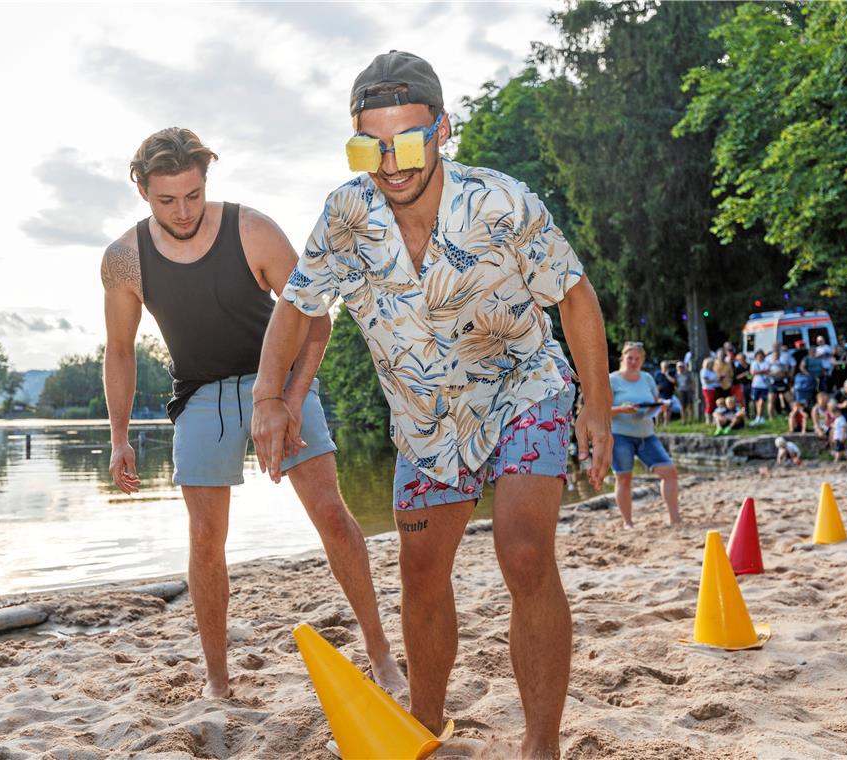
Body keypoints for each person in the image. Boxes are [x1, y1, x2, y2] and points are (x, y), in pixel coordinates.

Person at [251, 51, 613, 758]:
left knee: (526, 552)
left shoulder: (501, 202)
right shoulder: (345, 216)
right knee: (420, 573)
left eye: (409, 141)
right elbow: (296, 308)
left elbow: (574, 293)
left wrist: (596, 401)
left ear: (442, 129)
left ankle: (542, 746)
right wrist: (271, 397)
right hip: (424, 422)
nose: (390, 163)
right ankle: (423, 726)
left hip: (524, 390)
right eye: (370, 146)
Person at [100, 127, 406, 699]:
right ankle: (218, 681)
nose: (184, 210)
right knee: (205, 538)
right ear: (142, 190)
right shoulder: (123, 261)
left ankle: (381, 652)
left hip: (280, 377)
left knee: (332, 516)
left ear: (205, 181)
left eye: (193, 195)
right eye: (167, 200)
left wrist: (287, 402)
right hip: (201, 396)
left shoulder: (252, 231)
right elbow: (119, 350)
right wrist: (119, 436)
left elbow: (316, 322)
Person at [610, 343, 682, 529]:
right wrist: (621, 409)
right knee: (624, 478)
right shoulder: (612, 380)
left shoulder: (648, 378)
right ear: (623, 358)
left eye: (637, 358)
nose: (634, 362)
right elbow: (600, 411)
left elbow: (655, 401)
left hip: (646, 434)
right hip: (620, 436)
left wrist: (661, 406)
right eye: (630, 358)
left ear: (642, 360)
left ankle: (675, 519)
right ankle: (628, 522)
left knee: (670, 472)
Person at [749, 349, 772, 424]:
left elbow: (768, 371)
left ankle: (759, 417)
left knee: (761, 402)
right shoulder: (754, 363)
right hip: (756, 385)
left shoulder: (766, 363)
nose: (760, 357)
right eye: (758, 356)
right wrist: (763, 371)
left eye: (761, 356)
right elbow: (752, 373)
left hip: (764, 386)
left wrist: (758, 372)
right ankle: (759, 417)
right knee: (756, 402)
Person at [653, 360, 679, 426]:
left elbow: (675, 382)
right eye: (664, 366)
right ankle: (657, 424)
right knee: (659, 410)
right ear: (661, 367)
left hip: (669, 395)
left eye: (667, 366)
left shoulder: (671, 373)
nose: (666, 368)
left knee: (668, 410)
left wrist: (667, 375)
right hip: (660, 395)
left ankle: (666, 424)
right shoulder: (658, 374)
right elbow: (655, 385)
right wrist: (658, 388)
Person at [700, 357, 720, 424]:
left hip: (715, 389)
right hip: (707, 389)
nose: (712, 364)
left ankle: (714, 420)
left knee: (714, 405)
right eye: (711, 363)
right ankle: (708, 420)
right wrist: (715, 380)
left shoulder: (713, 371)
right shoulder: (704, 370)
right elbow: (706, 381)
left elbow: (715, 380)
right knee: (709, 404)